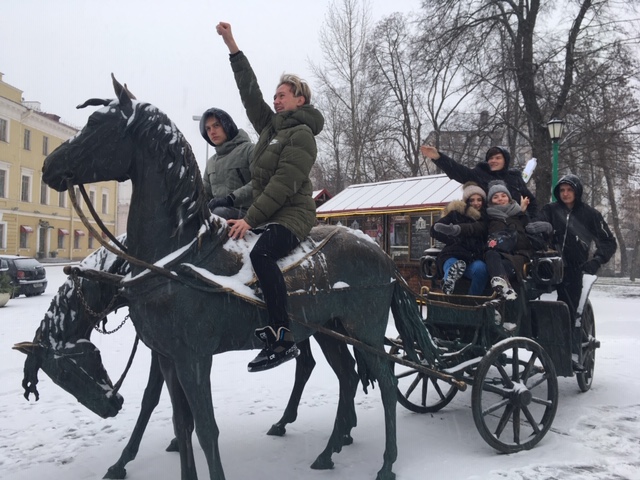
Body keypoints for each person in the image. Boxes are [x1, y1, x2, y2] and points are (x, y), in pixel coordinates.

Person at [217, 21, 325, 372]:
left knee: (261, 255)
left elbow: (281, 184)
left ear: (300, 100)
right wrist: (233, 47)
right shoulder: (269, 128)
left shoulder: (301, 135)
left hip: (292, 216)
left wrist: (250, 218)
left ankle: (281, 336)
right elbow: (250, 93)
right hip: (268, 213)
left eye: (282, 95)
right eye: (275, 96)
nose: (275, 100)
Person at [538, 174, 617, 368]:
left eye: (569, 190)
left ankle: (572, 350)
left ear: (577, 192)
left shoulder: (590, 215)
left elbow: (608, 241)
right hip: (547, 265)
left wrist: (597, 260)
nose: (565, 194)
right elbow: (536, 229)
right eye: (562, 190)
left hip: (574, 268)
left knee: (569, 307)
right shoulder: (549, 210)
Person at [439, 180, 551, 301]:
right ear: (491, 201)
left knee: (490, 266)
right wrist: (456, 229)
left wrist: (546, 229)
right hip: (499, 258)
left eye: (503, 196)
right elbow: (475, 227)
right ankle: (502, 285)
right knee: (490, 255)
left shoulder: (520, 216)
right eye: (496, 197)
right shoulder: (489, 218)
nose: (500, 199)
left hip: (518, 257)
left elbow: (535, 235)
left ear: (509, 198)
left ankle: (502, 286)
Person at [421, 145, 538, 217]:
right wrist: (438, 157)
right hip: (489, 224)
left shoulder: (515, 178)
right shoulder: (480, 174)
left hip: (516, 223)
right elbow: (458, 170)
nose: (493, 161)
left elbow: (531, 202)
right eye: (491, 158)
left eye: (498, 158)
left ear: (505, 161)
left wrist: (531, 219)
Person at [431, 182, 489, 296]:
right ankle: (448, 286)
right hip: (453, 253)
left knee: (481, 269)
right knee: (453, 264)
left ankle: (473, 298)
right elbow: (435, 230)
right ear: (466, 201)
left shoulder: (485, 218)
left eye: (479, 200)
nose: (476, 203)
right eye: (472, 200)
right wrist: (453, 238)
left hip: (473, 258)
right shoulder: (456, 214)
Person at [200, 107, 254, 220]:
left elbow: (260, 181)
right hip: (219, 213)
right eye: (208, 129)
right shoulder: (211, 163)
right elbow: (204, 195)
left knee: (217, 214)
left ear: (227, 125)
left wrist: (230, 199)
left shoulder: (249, 150)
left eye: (216, 125)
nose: (212, 132)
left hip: (249, 214)